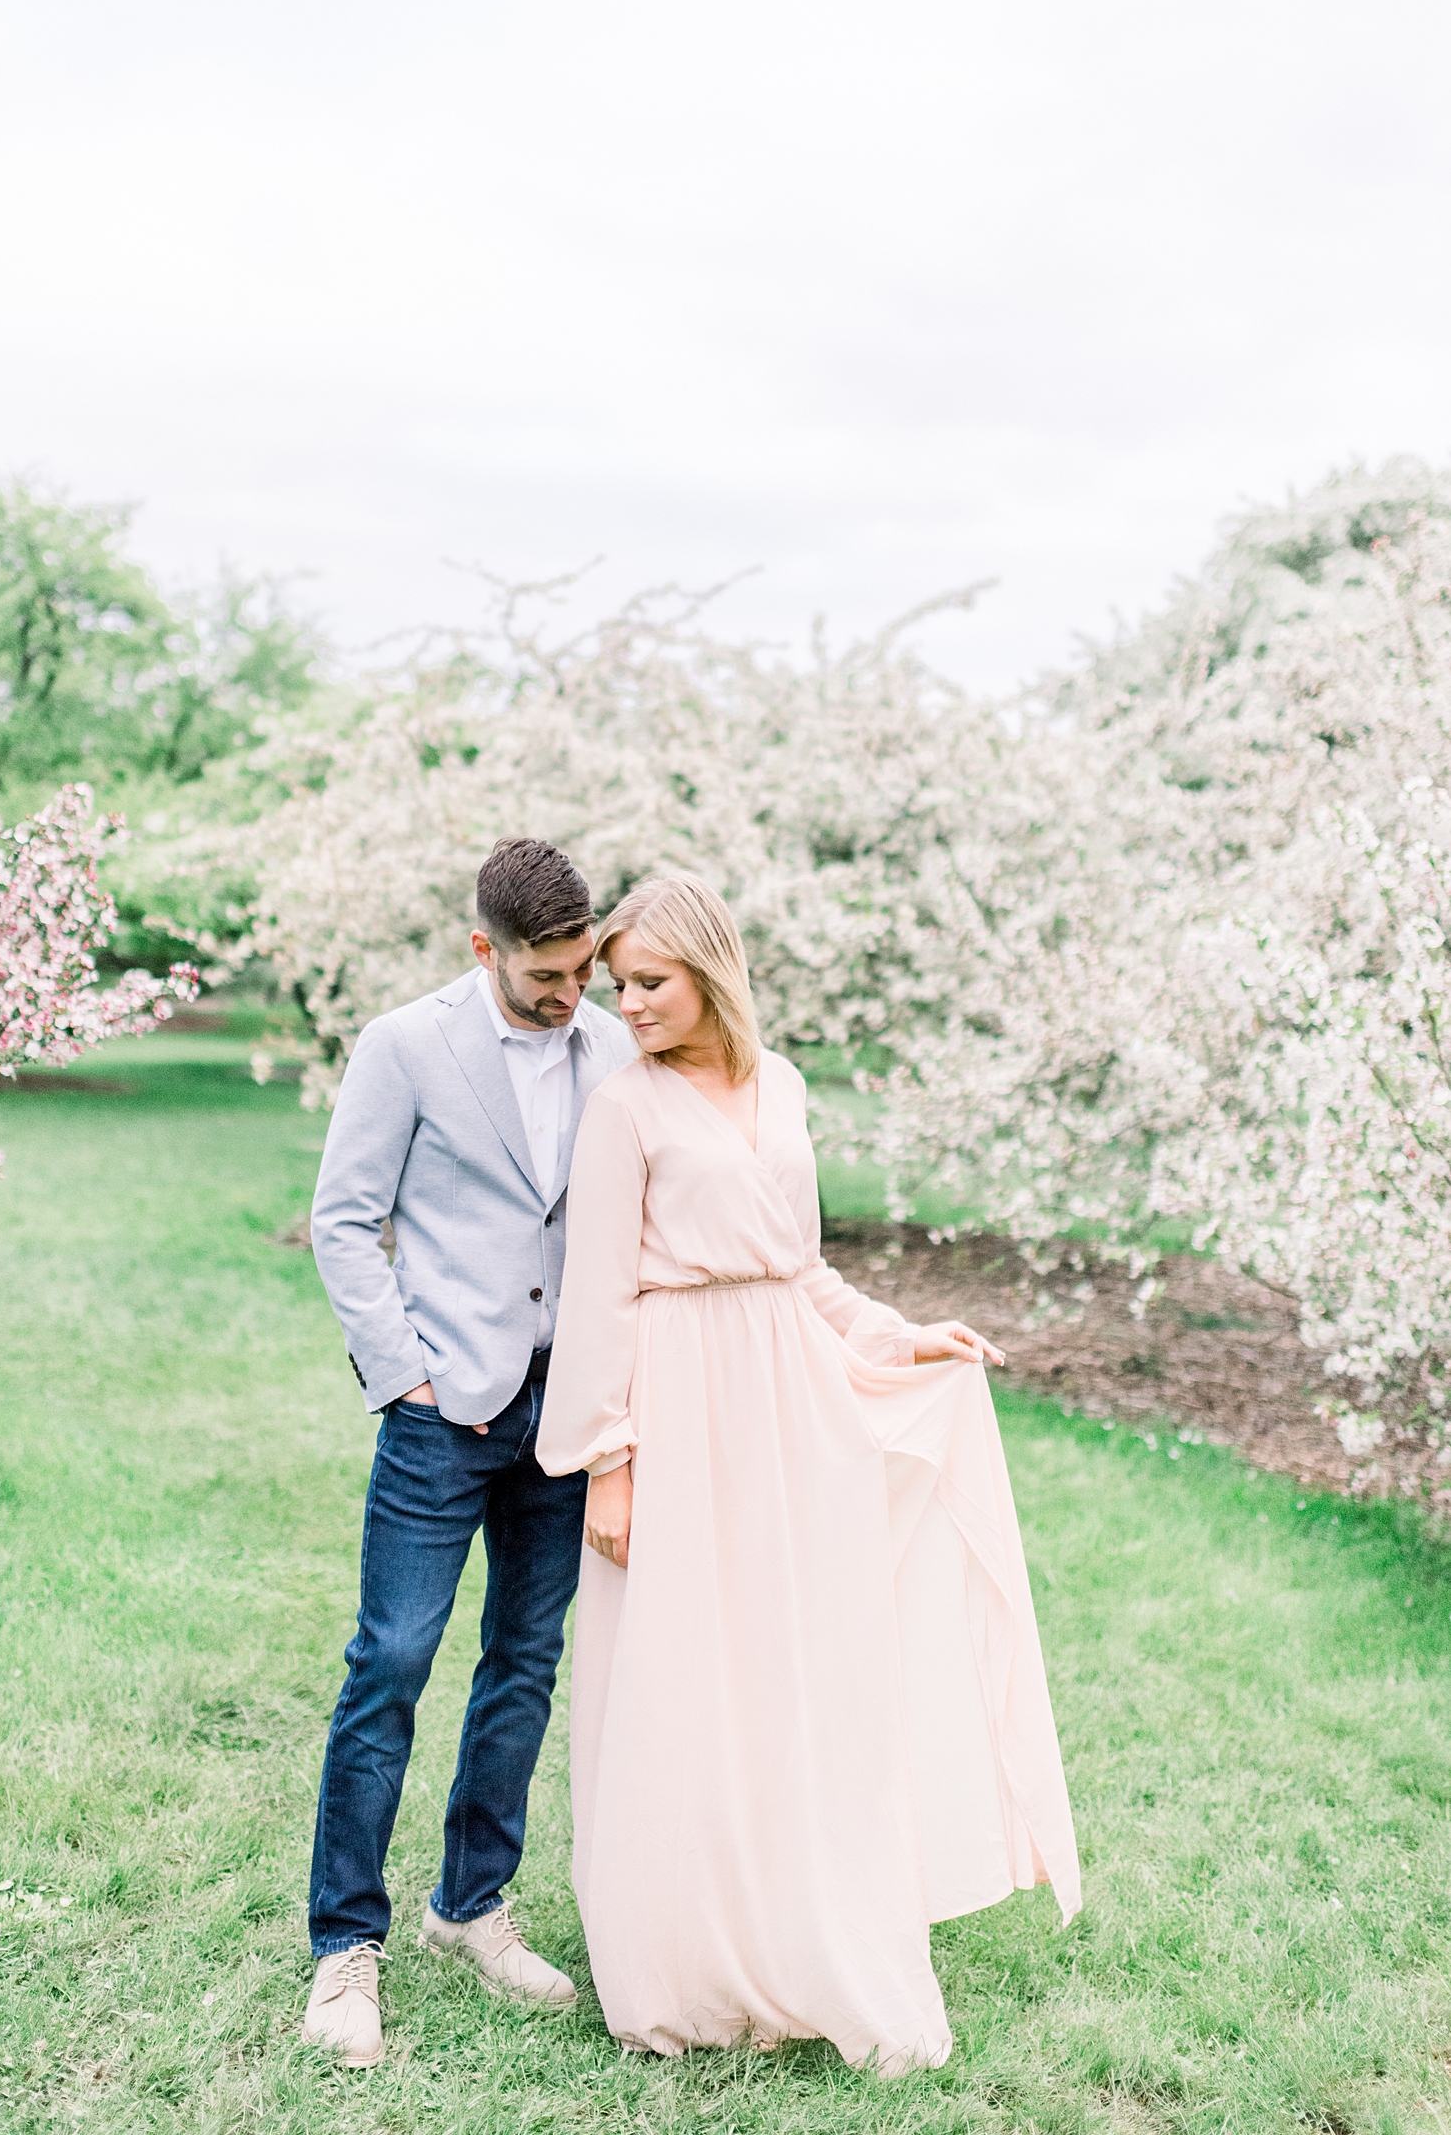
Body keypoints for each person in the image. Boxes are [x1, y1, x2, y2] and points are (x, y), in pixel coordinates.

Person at [535, 873, 1080, 2077]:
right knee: (684, 1676)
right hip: (679, 1404)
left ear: (711, 970)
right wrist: (608, 1464)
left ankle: (809, 1932)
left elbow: (802, 1271)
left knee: (796, 1673)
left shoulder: (779, 1087)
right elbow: (599, 1293)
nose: (627, 1004)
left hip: (792, 1404)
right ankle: (677, 1966)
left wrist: (901, 1336)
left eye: (651, 982)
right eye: (617, 985)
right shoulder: (624, 1108)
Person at [300, 837, 637, 2071]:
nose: (573, 993)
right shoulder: (405, 1045)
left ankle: (471, 1908)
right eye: (547, 974)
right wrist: (410, 1374)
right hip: (446, 1413)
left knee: (524, 1664)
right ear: (484, 947)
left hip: (568, 1416)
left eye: (584, 966)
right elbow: (343, 1218)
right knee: (389, 1663)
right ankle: (347, 1947)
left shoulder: (613, 1043)